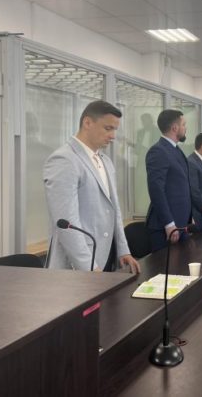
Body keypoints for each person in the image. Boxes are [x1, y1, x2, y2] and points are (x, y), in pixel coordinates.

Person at [43, 100, 140, 274]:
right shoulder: (64, 160)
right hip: (79, 265)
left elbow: (114, 210)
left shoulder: (105, 161)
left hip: (106, 256)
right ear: (87, 123)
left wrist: (123, 249)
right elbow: (67, 222)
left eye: (115, 129)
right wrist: (89, 267)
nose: (113, 136)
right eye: (108, 128)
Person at [145, 109, 192, 251]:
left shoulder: (175, 149)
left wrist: (190, 217)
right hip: (165, 228)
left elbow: (182, 187)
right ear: (175, 128)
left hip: (181, 224)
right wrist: (169, 223)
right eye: (184, 124)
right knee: (165, 265)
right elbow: (156, 190)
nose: (185, 128)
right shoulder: (158, 151)